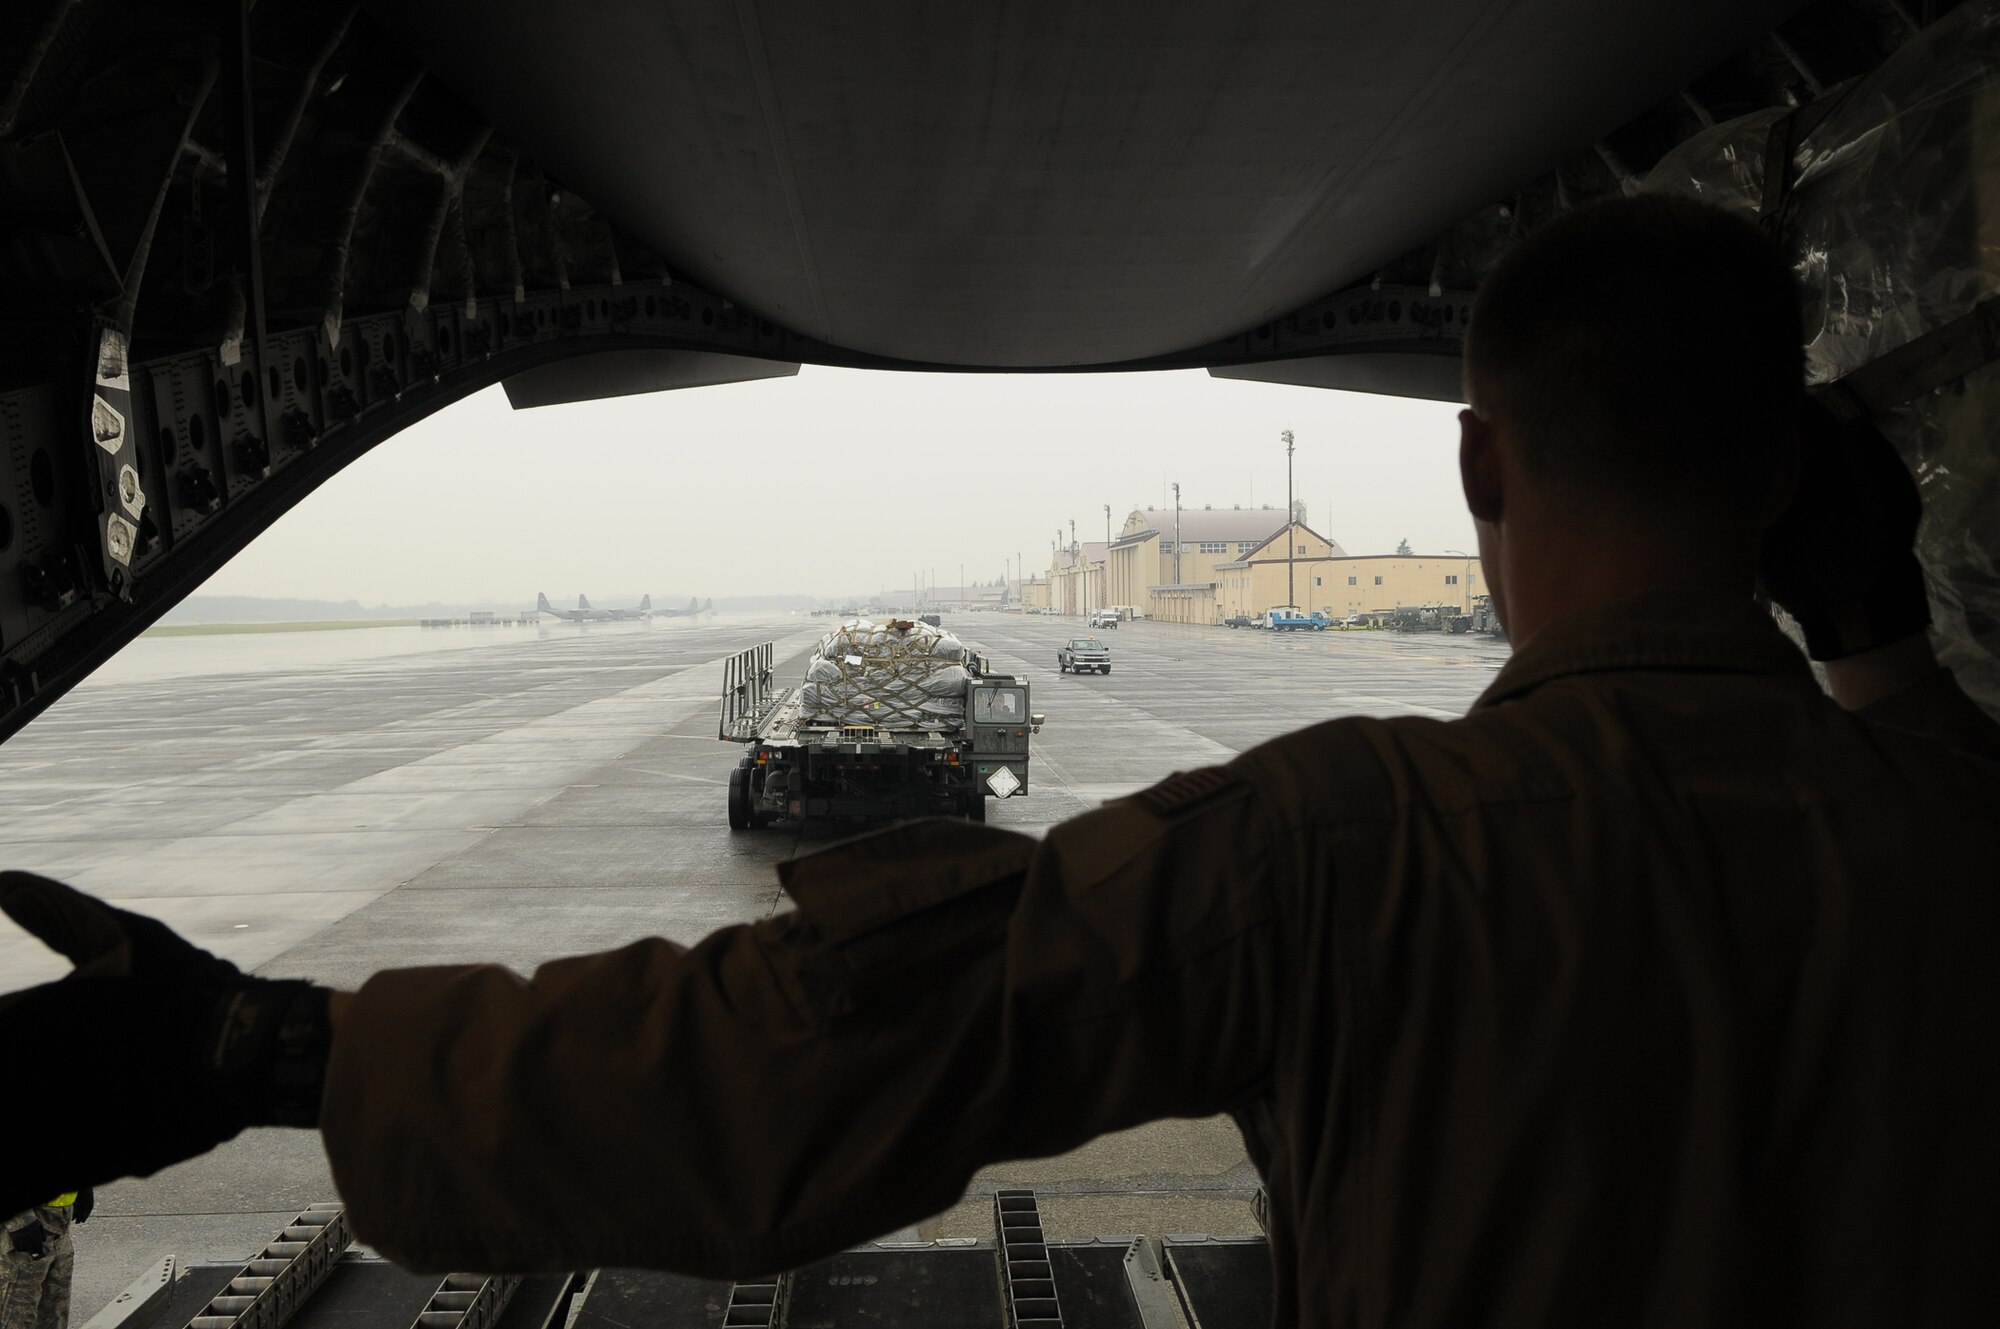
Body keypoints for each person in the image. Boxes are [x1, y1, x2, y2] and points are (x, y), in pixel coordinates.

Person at [3, 195, 1998, 1326]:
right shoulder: (1939, 824)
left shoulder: (1355, 847)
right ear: (1797, 481)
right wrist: (1881, 643)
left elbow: (812, 1057)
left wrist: (275, 1047)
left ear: (1477, 464)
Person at [1, 1191, 91, 1329]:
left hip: (59, 1226)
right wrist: (19, 1221)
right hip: (25, 1233)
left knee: (54, 1320)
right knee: (15, 1321)